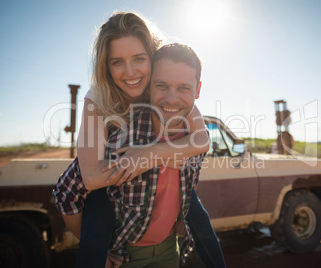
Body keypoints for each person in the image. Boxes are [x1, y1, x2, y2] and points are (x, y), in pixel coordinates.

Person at [52, 12, 226, 268]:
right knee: (98, 212)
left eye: (139, 58)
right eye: (117, 62)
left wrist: (151, 154)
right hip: (110, 187)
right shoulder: (98, 99)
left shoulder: (167, 89)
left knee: (198, 216)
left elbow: (201, 139)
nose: (130, 71)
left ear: (153, 60)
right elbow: (88, 178)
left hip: (165, 244)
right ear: (106, 66)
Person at [106, 43, 207, 268]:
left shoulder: (195, 142)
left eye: (183, 88)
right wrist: (95, 249)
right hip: (124, 255)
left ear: (198, 90)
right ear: (149, 86)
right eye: (162, 86)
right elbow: (68, 193)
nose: (172, 99)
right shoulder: (124, 136)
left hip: (171, 248)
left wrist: (182, 215)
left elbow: (190, 182)